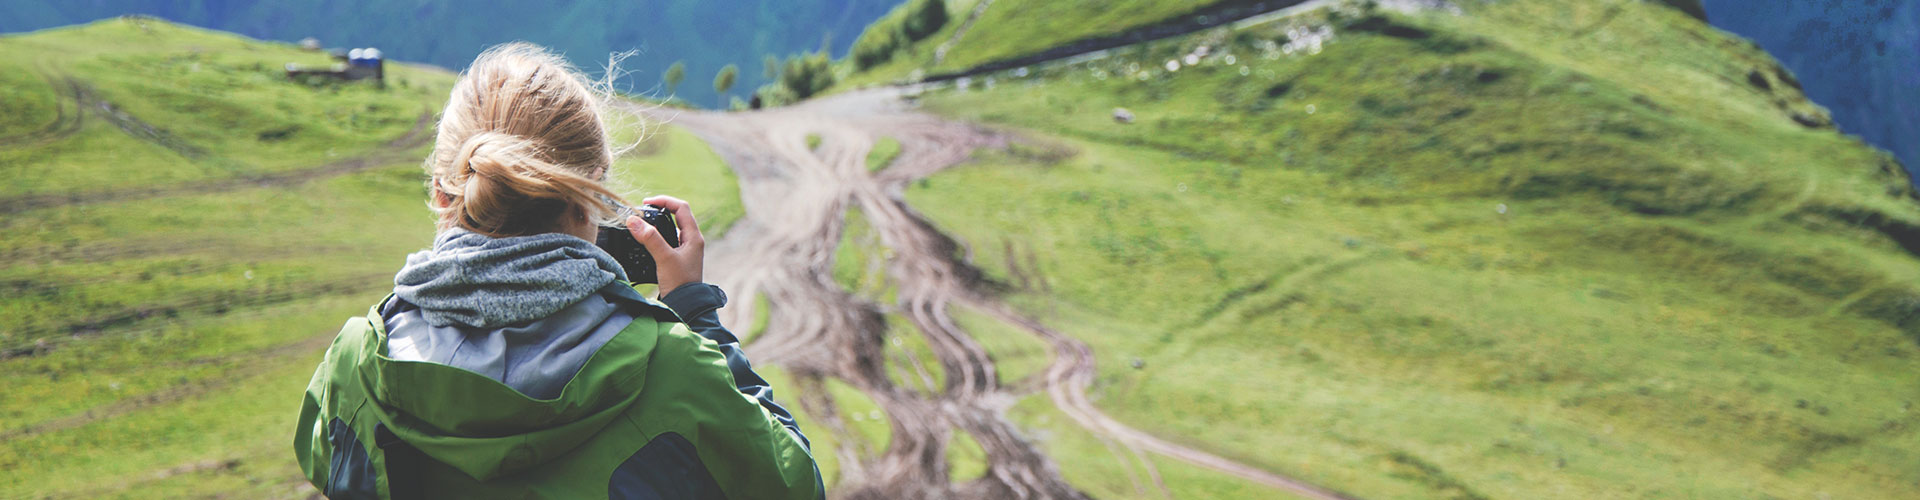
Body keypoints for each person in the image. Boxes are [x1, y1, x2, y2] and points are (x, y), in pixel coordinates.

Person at [293, 42, 823, 499]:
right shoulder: (672, 368)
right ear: (589, 198)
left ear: (442, 192)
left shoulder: (357, 360)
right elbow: (795, 484)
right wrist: (695, 312)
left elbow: (326, 464)